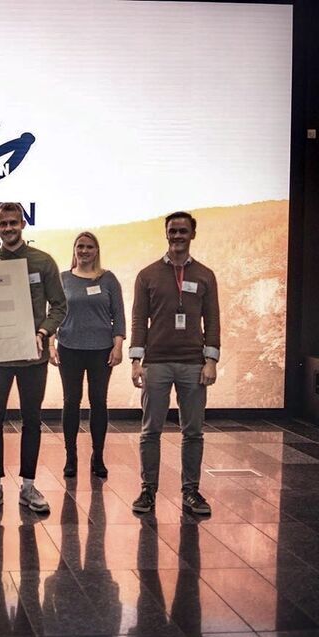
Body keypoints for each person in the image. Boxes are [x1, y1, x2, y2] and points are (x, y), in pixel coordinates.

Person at [0, 202, 67, 514]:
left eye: (13, 222)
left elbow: (59, 306)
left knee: (32, 420)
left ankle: (29, 487)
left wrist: (44, 332)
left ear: (23, 224)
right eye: (3, 223)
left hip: (33, 357)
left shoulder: (43, 261)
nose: (9, 228)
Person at [129, 211, 220, 516]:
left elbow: (213, 320)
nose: (177, 236)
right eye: (173, 230)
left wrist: (211, 361)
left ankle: (191, 491)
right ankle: (148, 490)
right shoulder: (147, 275)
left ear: (192, 234)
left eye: (183, 231)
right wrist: (136, 361)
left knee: (193, 432)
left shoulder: (205, 275)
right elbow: (139, 320)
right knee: (150, 431)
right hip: (156, 363)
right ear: (166, 234)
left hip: (193, 363)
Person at [50, 232, 125, 478]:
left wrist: (118, 346)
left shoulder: (108, 279)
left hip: (101, 350)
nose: (84, 251)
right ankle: (70, 456)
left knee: (98, 402)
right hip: (69, 347)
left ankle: (98, 456)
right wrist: (50, 344)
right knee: (71, 401)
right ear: (74, 249)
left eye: (89, 247)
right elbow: (54, 314)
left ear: (96, 250)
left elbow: (119, 315)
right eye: (80, 246)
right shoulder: (63, 279)